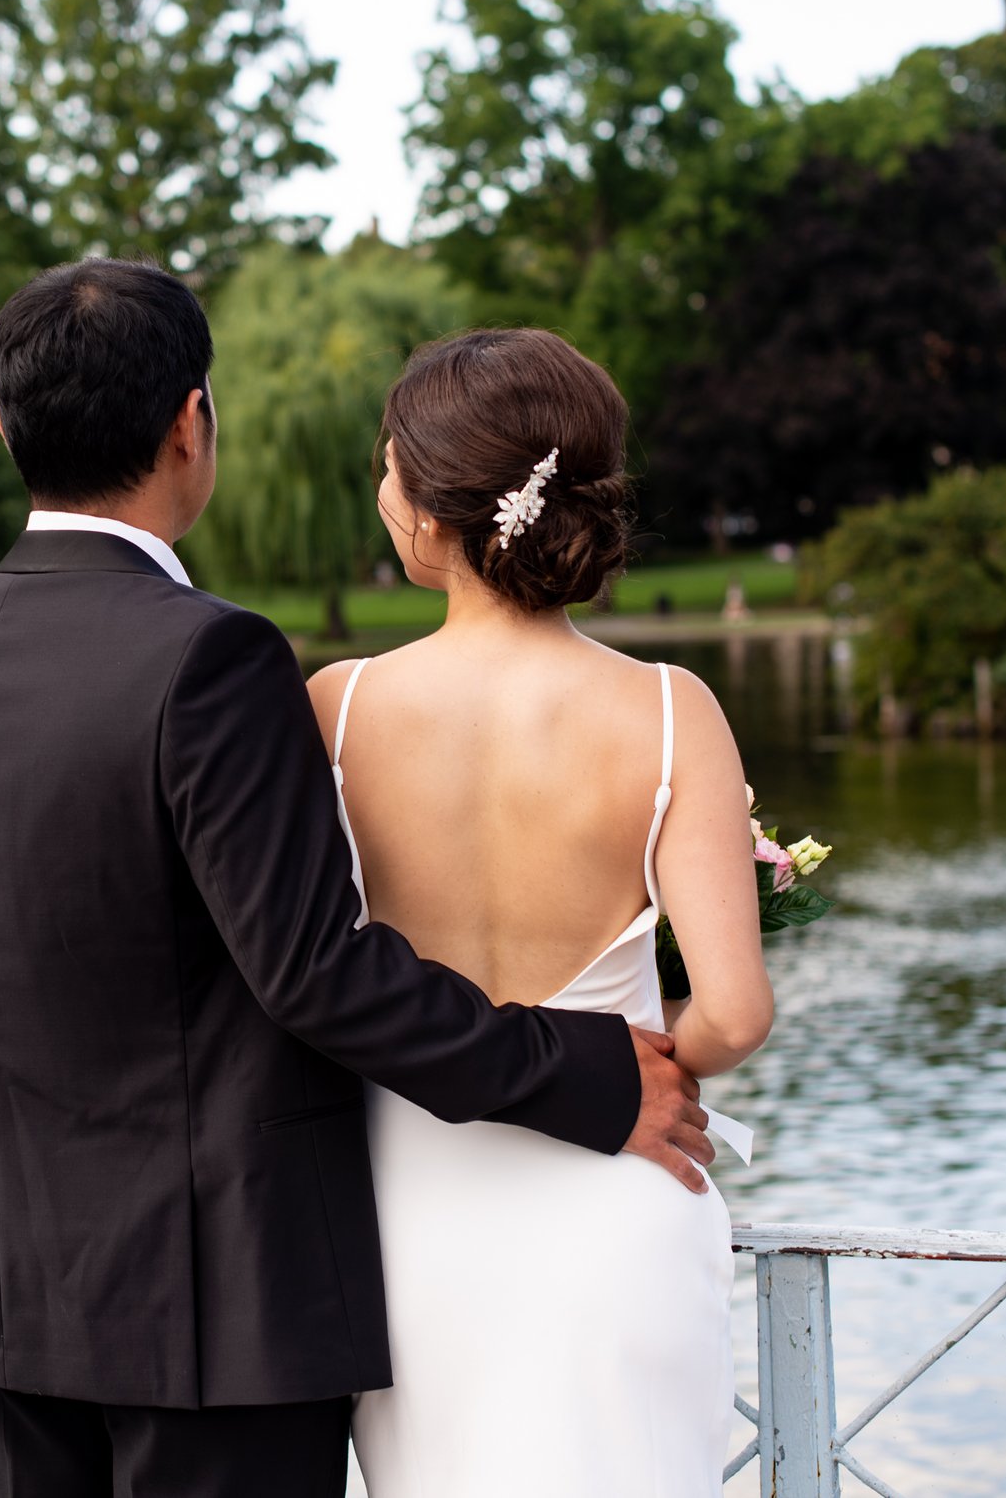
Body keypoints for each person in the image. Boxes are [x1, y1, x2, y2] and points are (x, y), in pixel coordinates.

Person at [0, 260, 712, 1498]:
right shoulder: (211, 657)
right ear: (189, 422)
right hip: (208, 1286)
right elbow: (313, 969)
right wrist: (586, 1072)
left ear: (7, 427)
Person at [326, 330, 772, 1496]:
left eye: (387, 466)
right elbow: (735, 1012)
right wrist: (654, 1058)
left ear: (432, 509)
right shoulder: (671, 711)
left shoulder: (332, 706)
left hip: (401, 1205)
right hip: (620, 1199)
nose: (380, 489)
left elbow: (307, 970)